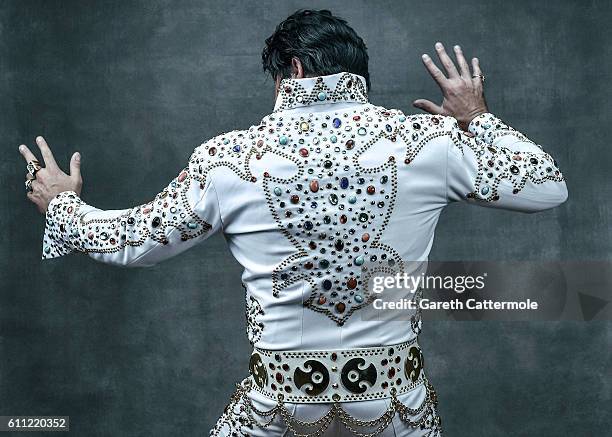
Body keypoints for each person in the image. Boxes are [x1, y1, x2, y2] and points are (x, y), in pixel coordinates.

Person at [18, 9, 568, 437]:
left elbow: (133, 243)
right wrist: (477, 118)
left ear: (293, 71)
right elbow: (547, 188)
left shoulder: (229, 159)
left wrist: (64, 205)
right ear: (358, 73)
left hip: (279, 403)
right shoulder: (429, 143)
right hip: (397, 403)